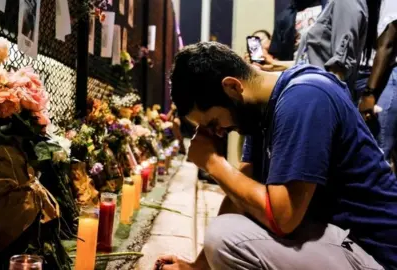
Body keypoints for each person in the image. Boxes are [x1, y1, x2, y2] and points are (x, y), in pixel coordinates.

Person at [154, 42, 397, 270]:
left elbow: (283, 218)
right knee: (227, 232)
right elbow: (240, 198)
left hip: (374, 255)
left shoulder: (303, 98)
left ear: (232, 87)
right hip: (340, 241)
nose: (217, 132)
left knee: (225, 238)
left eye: (214, 122)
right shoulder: (261, 112)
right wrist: (199, 266)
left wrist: (212, 163)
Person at [259, 0, 381, 100]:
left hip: (318, 97)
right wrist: (274, 64)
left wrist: (321, 104)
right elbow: (316, 61)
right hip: (312, 92)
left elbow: (340, 66)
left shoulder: (346, 2)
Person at [359, 0, 397, 166]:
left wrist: (369, 93)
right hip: (387, 76)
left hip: (389, 77)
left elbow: (387, 44)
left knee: (379, 155)